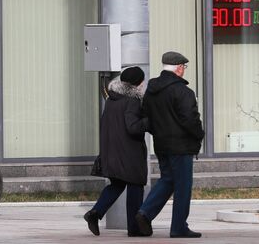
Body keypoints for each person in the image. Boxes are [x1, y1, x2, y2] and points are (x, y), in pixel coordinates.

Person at [135, 51, 205, 238]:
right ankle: (178, 227)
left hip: (161, 144)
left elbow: (146, 117)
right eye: (184, 67)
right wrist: (200, 135)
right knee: (182, 186)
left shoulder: (151, 90)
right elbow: (190, 119)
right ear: (179, 68)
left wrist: (158, 132)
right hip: (181, 146)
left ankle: (145, 213)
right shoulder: (183, 92)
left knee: (168, 179)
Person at [84, 66, 149, 237]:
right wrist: (148, 121)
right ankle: (134, 228)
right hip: (129, 152)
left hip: (111, 151)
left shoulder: (112, 100)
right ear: (138, 83)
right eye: (142, 81)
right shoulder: (133, 101)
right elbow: (133, 127)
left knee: (117, 185)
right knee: (135, 186)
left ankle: (95, 213)